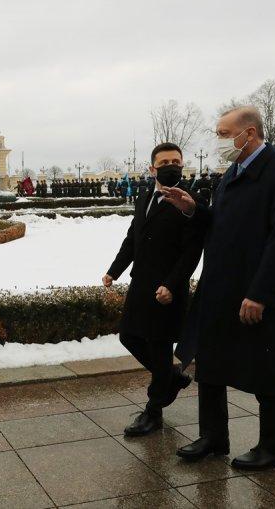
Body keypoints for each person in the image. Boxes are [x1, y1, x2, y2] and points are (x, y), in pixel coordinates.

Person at [163, 106, 275, 470]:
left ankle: (274, 448)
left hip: (260, 291)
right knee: (211, 363)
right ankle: (213, 436)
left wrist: (261, 293)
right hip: (222, 287)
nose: (219, 142)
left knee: (268, 369)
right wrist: (194, 208)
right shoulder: (234, 172)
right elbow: (225, 225)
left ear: (250, 133)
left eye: (224, 134)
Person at [103, 142, 204, 436]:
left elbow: (191, 251)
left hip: (167, 289)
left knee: (159, 349)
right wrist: (114, 270)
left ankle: (153, 412)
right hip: (141, 283)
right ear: (152, 168)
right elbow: (132, 239)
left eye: (176, 161)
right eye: (165, 162)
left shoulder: (191, 201)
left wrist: (172, 285)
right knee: (128, 336)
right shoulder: (144, 196)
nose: (171, 166)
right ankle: (171, 376)